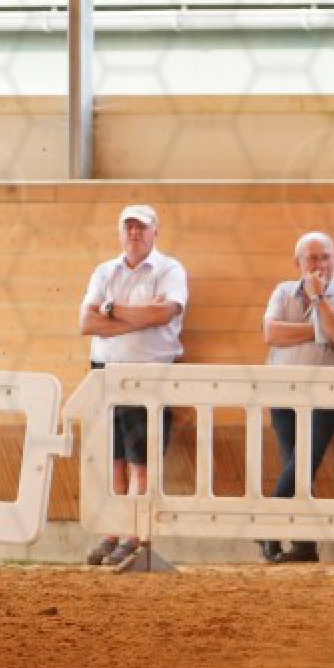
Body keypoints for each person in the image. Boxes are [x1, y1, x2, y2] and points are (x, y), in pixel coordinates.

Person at [77, 205, 188, 567]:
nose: (135, 233)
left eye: (142, 227)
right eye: (129, 227)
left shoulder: (169, 270)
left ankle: (135, 534)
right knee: (112, 457)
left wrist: (111, 310)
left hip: (149, 375)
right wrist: (139, 317)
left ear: (155, 232)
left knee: (141, 458)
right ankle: (113, 531)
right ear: (120, 232)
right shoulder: (104, 271)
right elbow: (86, 323)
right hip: (105, 372)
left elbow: (164, 313)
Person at [262, 231, 334, 565]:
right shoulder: (283, 291)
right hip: (282, 392)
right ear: (298, 263)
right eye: (312, 258)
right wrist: (321, 331)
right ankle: (304, 544)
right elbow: (271, 333)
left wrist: (319, 299)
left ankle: (267, 523)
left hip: (328, 396)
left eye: (325, 257)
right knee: (295, 467)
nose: (320, 264)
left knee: (303, 462)